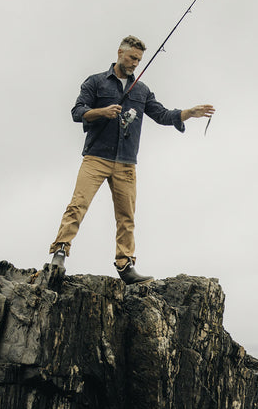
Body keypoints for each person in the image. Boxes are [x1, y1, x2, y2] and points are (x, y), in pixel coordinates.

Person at [49, 35, 215, 284]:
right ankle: (60, 252)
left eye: (139, 59)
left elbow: (161, 114)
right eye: (132, 58)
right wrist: (101, 112)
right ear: (119, 53)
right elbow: (77, 111)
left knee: (126, 216)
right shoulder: (95, 82)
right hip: (96, 157)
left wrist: (188, 113)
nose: (135, 63)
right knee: (78, 205)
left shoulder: (142, 90)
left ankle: (125, 265)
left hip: (126, 162)